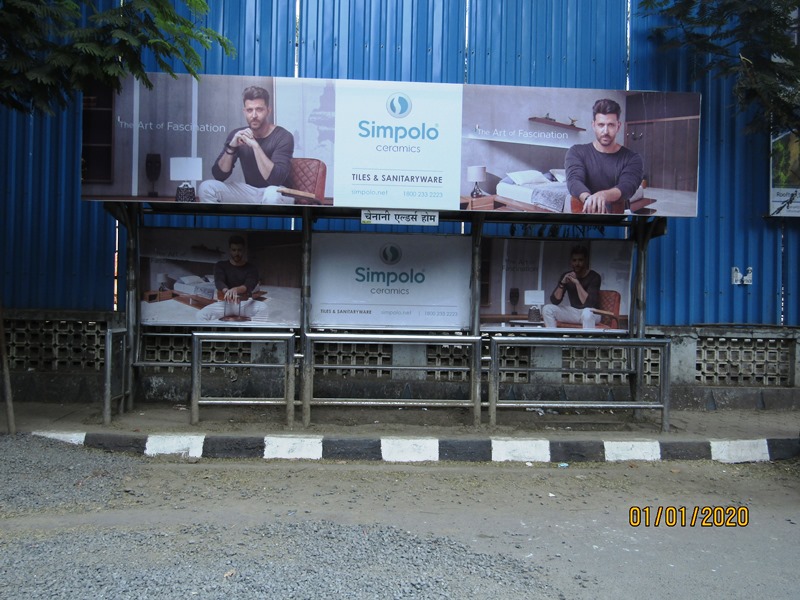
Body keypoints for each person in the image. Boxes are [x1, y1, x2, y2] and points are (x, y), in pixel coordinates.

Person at [198, 86, 294, 204]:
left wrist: (255, 146)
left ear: (268, 111)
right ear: (244, 111)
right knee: (206, 187)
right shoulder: (238, 134)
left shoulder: (284, 136)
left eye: (259, 110)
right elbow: (219, 175)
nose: (254, 115)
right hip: (251, 192)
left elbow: (276, 179)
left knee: (271, 194)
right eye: (249, 110)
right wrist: (231, 147)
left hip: (279, 192)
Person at [565, 98, 643, 214]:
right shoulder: (576, 152)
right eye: (601, 125)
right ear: (593, 125)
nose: (605, 131)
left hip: (618, 214)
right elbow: (574, 180)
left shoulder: (632, 158)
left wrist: (603, 195)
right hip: (583, 214)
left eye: (610, 125)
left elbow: (628, 185)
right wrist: (589, 199)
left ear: (618, 126)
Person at [542, 245, 602, 329]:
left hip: (593, 313)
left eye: (580, 260)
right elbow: (555, 301)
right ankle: (553, 336)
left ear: (586, 261)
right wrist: (562, 283)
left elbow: (588, 303)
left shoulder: (594, 276)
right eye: (574, 260)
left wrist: (577, 283)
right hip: (575, 312)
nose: (577, 264)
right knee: (547, 309)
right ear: (571, 262)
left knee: (587, 313)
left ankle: (587, 338)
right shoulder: (567, 276)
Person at [214, 235, 259, 302]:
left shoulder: (252, 268)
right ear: (230, 250)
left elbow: (250, 284)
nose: (236, 253)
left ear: (244, 250)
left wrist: (236, 290)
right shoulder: (220, 265)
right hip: (225, 300)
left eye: (239, 250)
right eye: (234, 250)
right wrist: (227, 291)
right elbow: (219, 281)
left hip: (244, 301)